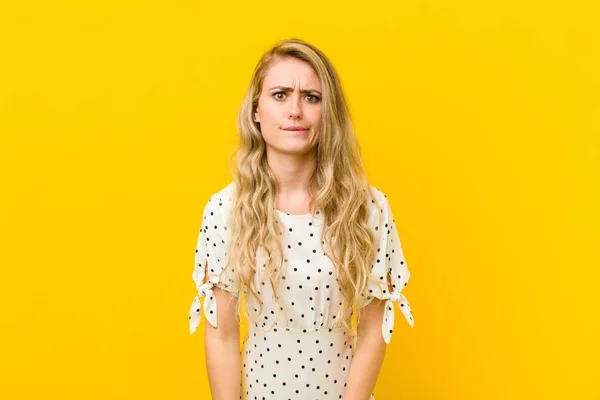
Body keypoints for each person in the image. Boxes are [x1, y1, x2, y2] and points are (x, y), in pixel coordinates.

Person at [189, 38, 414, 400]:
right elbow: (222, 333)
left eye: (312, 97)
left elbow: (374, 328)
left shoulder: (367, 207)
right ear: (256, 110)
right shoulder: (225, 209)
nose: (295, 110)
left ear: (329, 113)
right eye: (280, 95)